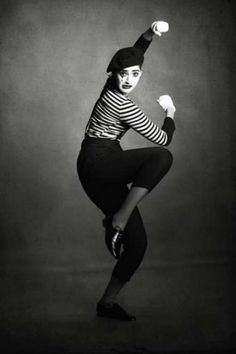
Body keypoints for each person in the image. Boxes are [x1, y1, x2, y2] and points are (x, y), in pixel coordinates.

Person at [77, 20, 176, 321]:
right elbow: (163, 138)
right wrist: (170, 110)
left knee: (138, 245)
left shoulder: (111, 86)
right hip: (99, 161)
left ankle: (106, 304)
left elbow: (135, 51)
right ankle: (117, 219)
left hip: (101, 167)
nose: (129, 79)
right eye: (123, 74)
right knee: (161, 156)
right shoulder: (120, 103)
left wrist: (150, 32)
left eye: (134, 74)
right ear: (113, 75)